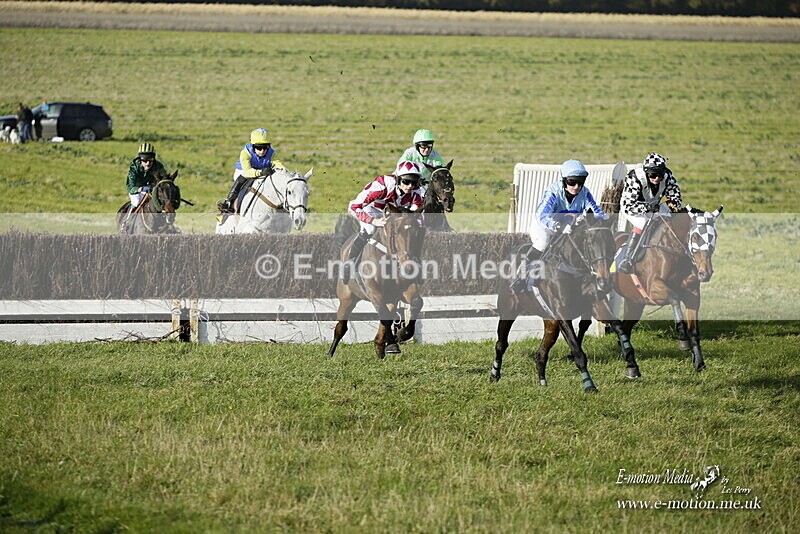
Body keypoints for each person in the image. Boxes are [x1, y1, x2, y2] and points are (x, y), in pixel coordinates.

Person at [510, 159, 606, 294]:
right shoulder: (553, 192)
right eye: (572, 182)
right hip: (545, 225)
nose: (576, 186)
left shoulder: (585, 193)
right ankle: (520, 277)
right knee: (543, 243)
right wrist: (558, 227)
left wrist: (604, 221)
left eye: (580, 182)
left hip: (568, 223)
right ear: (564, 180)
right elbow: (542, 215)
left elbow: (596, 210)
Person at [341, 160, 425, 283]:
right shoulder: (381, 186)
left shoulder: (417, 191)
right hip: (370, 208)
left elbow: (414, 215)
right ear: (397, 180)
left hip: (390, 211)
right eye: (406, 181)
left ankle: (415, 262)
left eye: (414, 182)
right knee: (369, 230)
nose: (410, 186)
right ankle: (350, 262)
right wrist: (373, 221)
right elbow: (354, 207)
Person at [617, 152, 683, 274]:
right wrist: (647, 206)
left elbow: (676, 198)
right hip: (632, 207)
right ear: (646, 172)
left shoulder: (668, 176)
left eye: (660, 174)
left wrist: (673, 203)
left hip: (655, 205)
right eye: (653, 174)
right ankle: (628, 259)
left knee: (669, 221)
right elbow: (629, 205)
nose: (657, 178)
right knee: (643, 222)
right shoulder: (634, 177)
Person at [217, 128, 286, 213]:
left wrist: (286, 173)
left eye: (265, 147)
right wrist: (260, 172)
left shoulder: (272, 153)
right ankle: (228, 203)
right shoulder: (245, 152)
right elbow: (247, 171)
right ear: (253, 145)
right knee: (241, 179)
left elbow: (279, 165)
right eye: (259, 147)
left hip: (262, 171)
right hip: (244, 171)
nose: (262, 151)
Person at [121, 142, 171, 233]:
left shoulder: (158, 166)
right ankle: (127, 223)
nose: (148, 163)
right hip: (136, 190)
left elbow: (164, 180)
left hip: (153, 189)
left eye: (151, 160)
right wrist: (141, 189)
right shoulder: (134, 168)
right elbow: (130, 187)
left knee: (163, 201)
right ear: (140, 159)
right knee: (136, 202)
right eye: (145, 160)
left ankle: (168, 224)